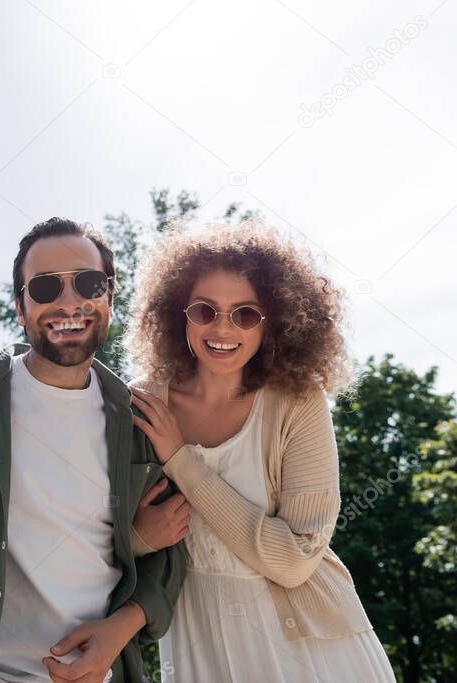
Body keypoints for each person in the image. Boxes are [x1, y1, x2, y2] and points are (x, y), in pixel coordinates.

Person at [0, 217, 189, 683]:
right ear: (20, 307)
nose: (69, 302)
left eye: (88, 283)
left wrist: (120, 629)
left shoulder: (142, 422)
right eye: (44, 288)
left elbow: (173, 550)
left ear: (109, 298)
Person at [125, 220, 396, 682]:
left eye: (245, 313)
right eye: (204, 310)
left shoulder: (298, 401)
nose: (223, 328)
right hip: (197, 646)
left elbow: (294, 561)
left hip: (314, 653)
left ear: (276, 319)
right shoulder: (140, 404)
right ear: (178, 313)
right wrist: (140, 540)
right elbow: (101, 543)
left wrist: (180, 460)